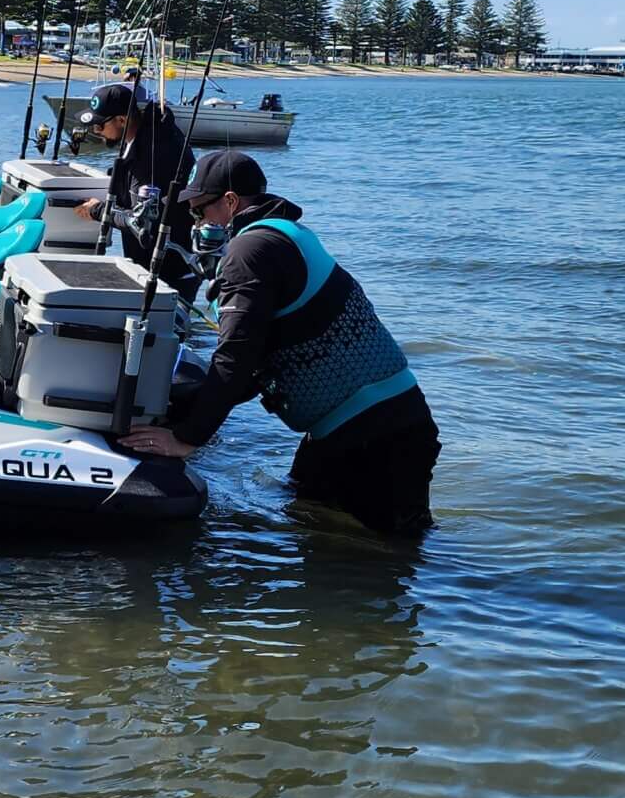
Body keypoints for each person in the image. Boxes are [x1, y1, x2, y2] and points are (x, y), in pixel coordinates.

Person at [119, 150, 440, 537]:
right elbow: (261, 357)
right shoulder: (288, 233)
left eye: (200, 210)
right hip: (361, 425)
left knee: (387, 554)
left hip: (375, 436)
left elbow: (236, 354)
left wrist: (187, 439)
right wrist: (185, 408)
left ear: (231, 201)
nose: (197, 222)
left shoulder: (248, 252)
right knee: (305, 515)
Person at [73, 80, 198, 295]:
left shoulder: (151, 156)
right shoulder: (140, 139)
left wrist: (97, 211)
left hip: (169, 271)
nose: (96, 131)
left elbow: (141, 221)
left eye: (100, 125)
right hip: (146, 263)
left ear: (122, 119)